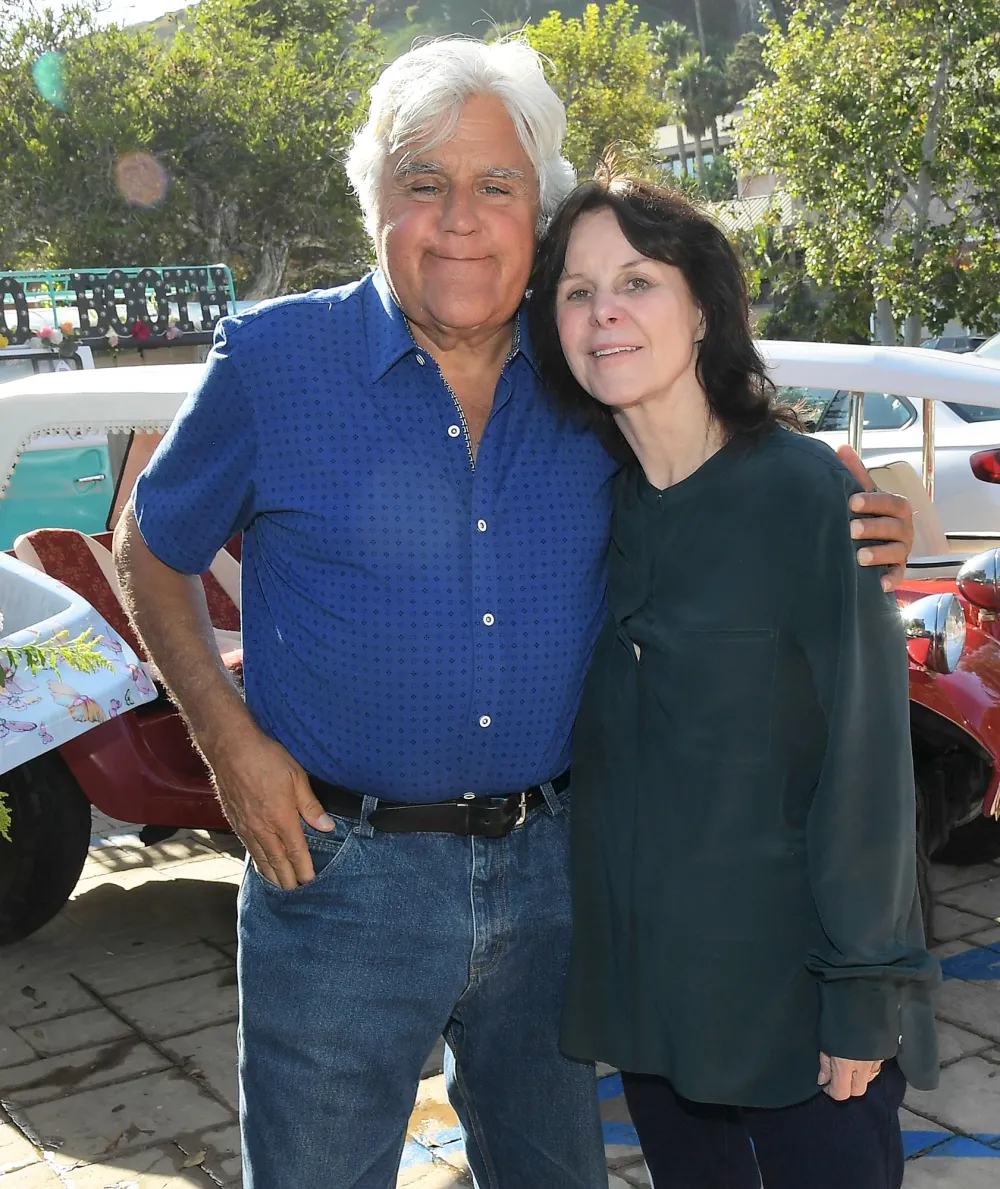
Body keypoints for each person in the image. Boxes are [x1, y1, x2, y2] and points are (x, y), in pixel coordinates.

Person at [112, 39, 915, 1189]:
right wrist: (227, 744)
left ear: (534, 210)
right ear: (372, 202)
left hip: (559, 879)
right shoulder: (275, 361)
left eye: (495, 186)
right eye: (421, 182)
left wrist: (857, 487)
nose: (458, 221)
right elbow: (149, 541)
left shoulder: (578, 367)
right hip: (341, 876)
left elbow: (716, 449)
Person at [527, 175, 939, 1189]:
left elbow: (867, 768)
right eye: (575, 291)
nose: (603, 310)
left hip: (794, 1006)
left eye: (636, 279)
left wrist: (861, 993)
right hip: (650, 999)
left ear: (704, 306)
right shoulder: (585, 504)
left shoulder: (805, 493)